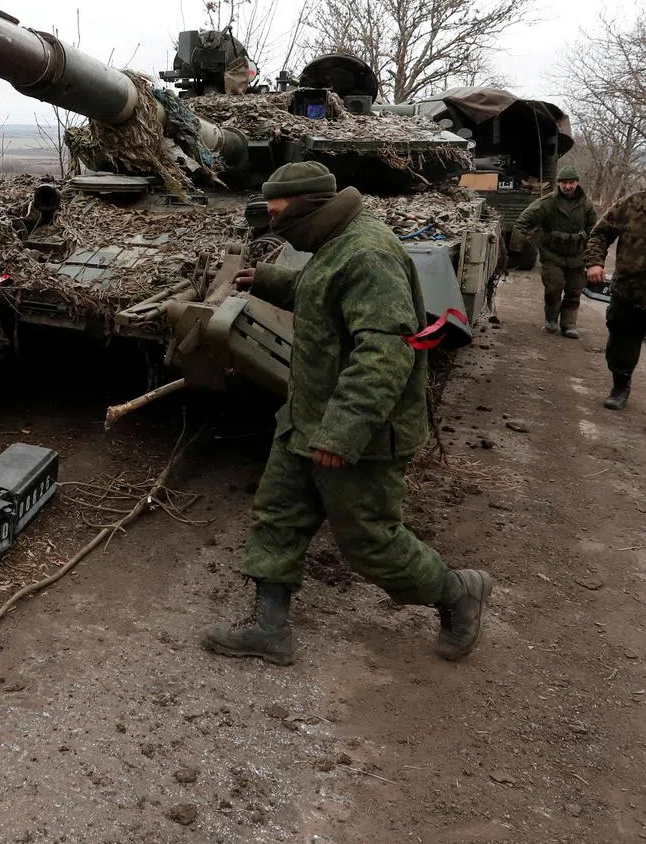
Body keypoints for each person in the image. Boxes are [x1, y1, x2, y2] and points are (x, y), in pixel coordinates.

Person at [202, 162, 491, 665]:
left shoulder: (368, 255)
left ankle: (457, 591)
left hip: (361, 432)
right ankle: (270, 628)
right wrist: (270, 280)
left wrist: (341, 434)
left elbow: (385, 351)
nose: (272, 224)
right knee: (279, 516)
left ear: (308, 208)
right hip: (305, 418)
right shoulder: (335, 242)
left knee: (369, 542)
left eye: (277, 213)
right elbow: (325, 295)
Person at [510, 164, 597, 339]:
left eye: (571, 182)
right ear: (558, 184)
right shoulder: (547, 203)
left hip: (577, 256)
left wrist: (594, 258)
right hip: (552, 255)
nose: (568, 186)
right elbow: (524, 222)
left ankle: (568, 324)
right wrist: (515, 249)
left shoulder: (586, 205)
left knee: (574, 291)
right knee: (553, 288)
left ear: (577, 183)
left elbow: (594, 232)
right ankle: (551, 318)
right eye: (564, 182)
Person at [584, 189, 646, 410]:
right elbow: (600, 233)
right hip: (629, 291)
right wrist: (595, 262)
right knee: (622, 344)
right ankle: (620, 386)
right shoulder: (632, 203)